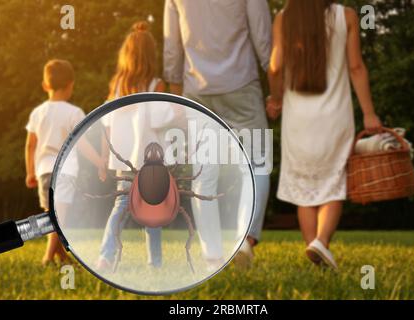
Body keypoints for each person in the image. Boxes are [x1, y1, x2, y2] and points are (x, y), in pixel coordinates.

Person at [267, 0, 382, 269]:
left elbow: (274, 66)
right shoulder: (348, 16)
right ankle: (321, 242)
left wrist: (276, 98)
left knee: (303, 184)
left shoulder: (284, 18)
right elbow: (356, 68)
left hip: (298, 120)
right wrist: (369, 113)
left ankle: (315, 251)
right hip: (335, 117)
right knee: (333, 182)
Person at [163, 0, 272, 268]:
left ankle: (212, 255)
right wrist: (276, 86)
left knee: (203, 173)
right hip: (242, 85)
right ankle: (245, 239)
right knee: (255, 164)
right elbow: (262, 36)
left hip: (197, 89)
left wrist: (176, 95)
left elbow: (171, 47)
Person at [96, 22, 166, 271]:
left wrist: (105, 158)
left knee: (120, 207)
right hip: (150, 163)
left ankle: (105, 255)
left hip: (122, 160)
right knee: (152, 212)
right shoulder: (157, 85)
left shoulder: (117, 85)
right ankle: (155, 263)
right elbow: (161, 120)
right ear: (151, 55)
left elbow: (106, 124)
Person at [25, 59, 86, 266]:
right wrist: (100, 161)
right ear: (71, 85)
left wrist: (30, 172)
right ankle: (48, 257)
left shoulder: (38, 113)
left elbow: (30, 145)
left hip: (43, 170)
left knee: (52, 216)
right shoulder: (74, 112)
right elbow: (83, 143)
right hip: (65, 171)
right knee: (57, 217)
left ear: (45, 86)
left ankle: (63, 257)